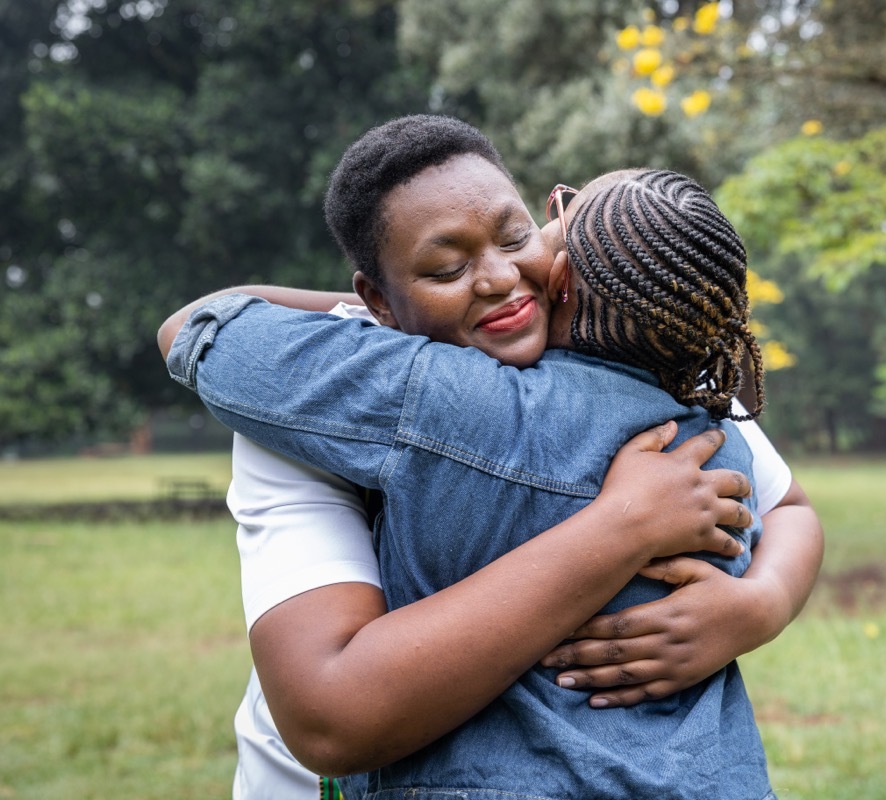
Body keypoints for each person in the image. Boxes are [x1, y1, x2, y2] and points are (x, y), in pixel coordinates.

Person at [159, 116, 822, 798]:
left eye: (517, 238)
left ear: (563, 263)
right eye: (445, 268)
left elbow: (792, 507)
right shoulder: (328, 387)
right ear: (377, 300)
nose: (503, 278)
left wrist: (758, 606)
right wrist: (623, 525)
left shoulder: (663, 376)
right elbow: (331, 717)